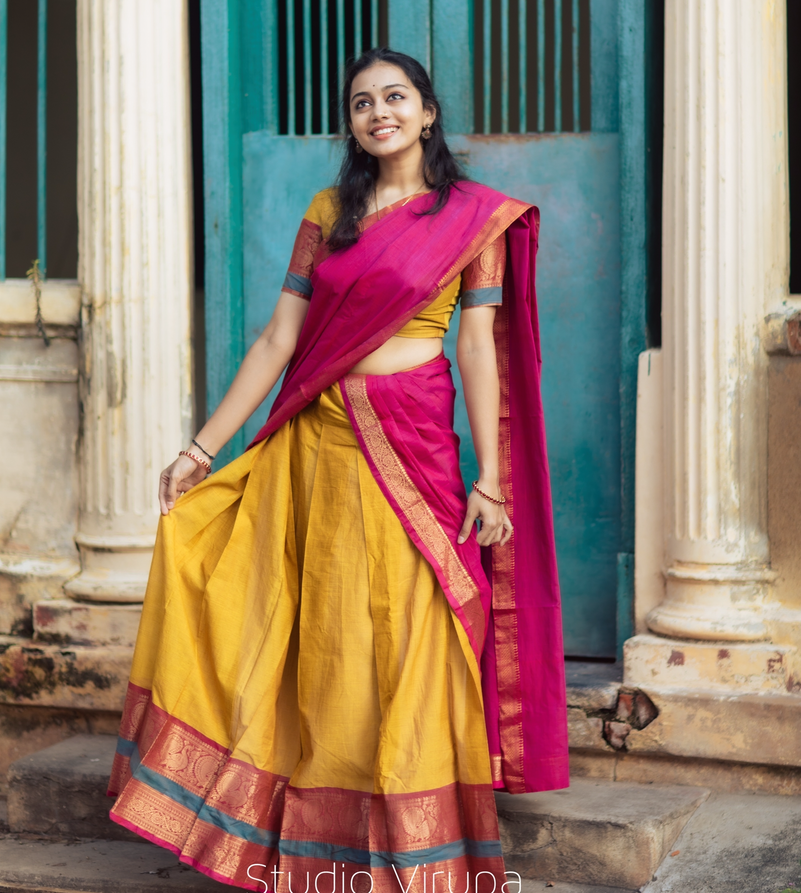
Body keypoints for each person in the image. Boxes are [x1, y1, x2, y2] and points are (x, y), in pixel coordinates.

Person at [108, 48, 568, 893]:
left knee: (405, 632)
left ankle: (413, 842)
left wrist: (491, 477)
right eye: (362, 103)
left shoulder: (472, 218)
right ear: (351, 123)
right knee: (318, 632)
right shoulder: (332, 212)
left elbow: (476, 346)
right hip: (316, 441)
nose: (379, 112)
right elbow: (280, 341)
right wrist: (201, 447)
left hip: (413, 441)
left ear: (428, 112)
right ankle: (310, 838)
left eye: (396, 97)